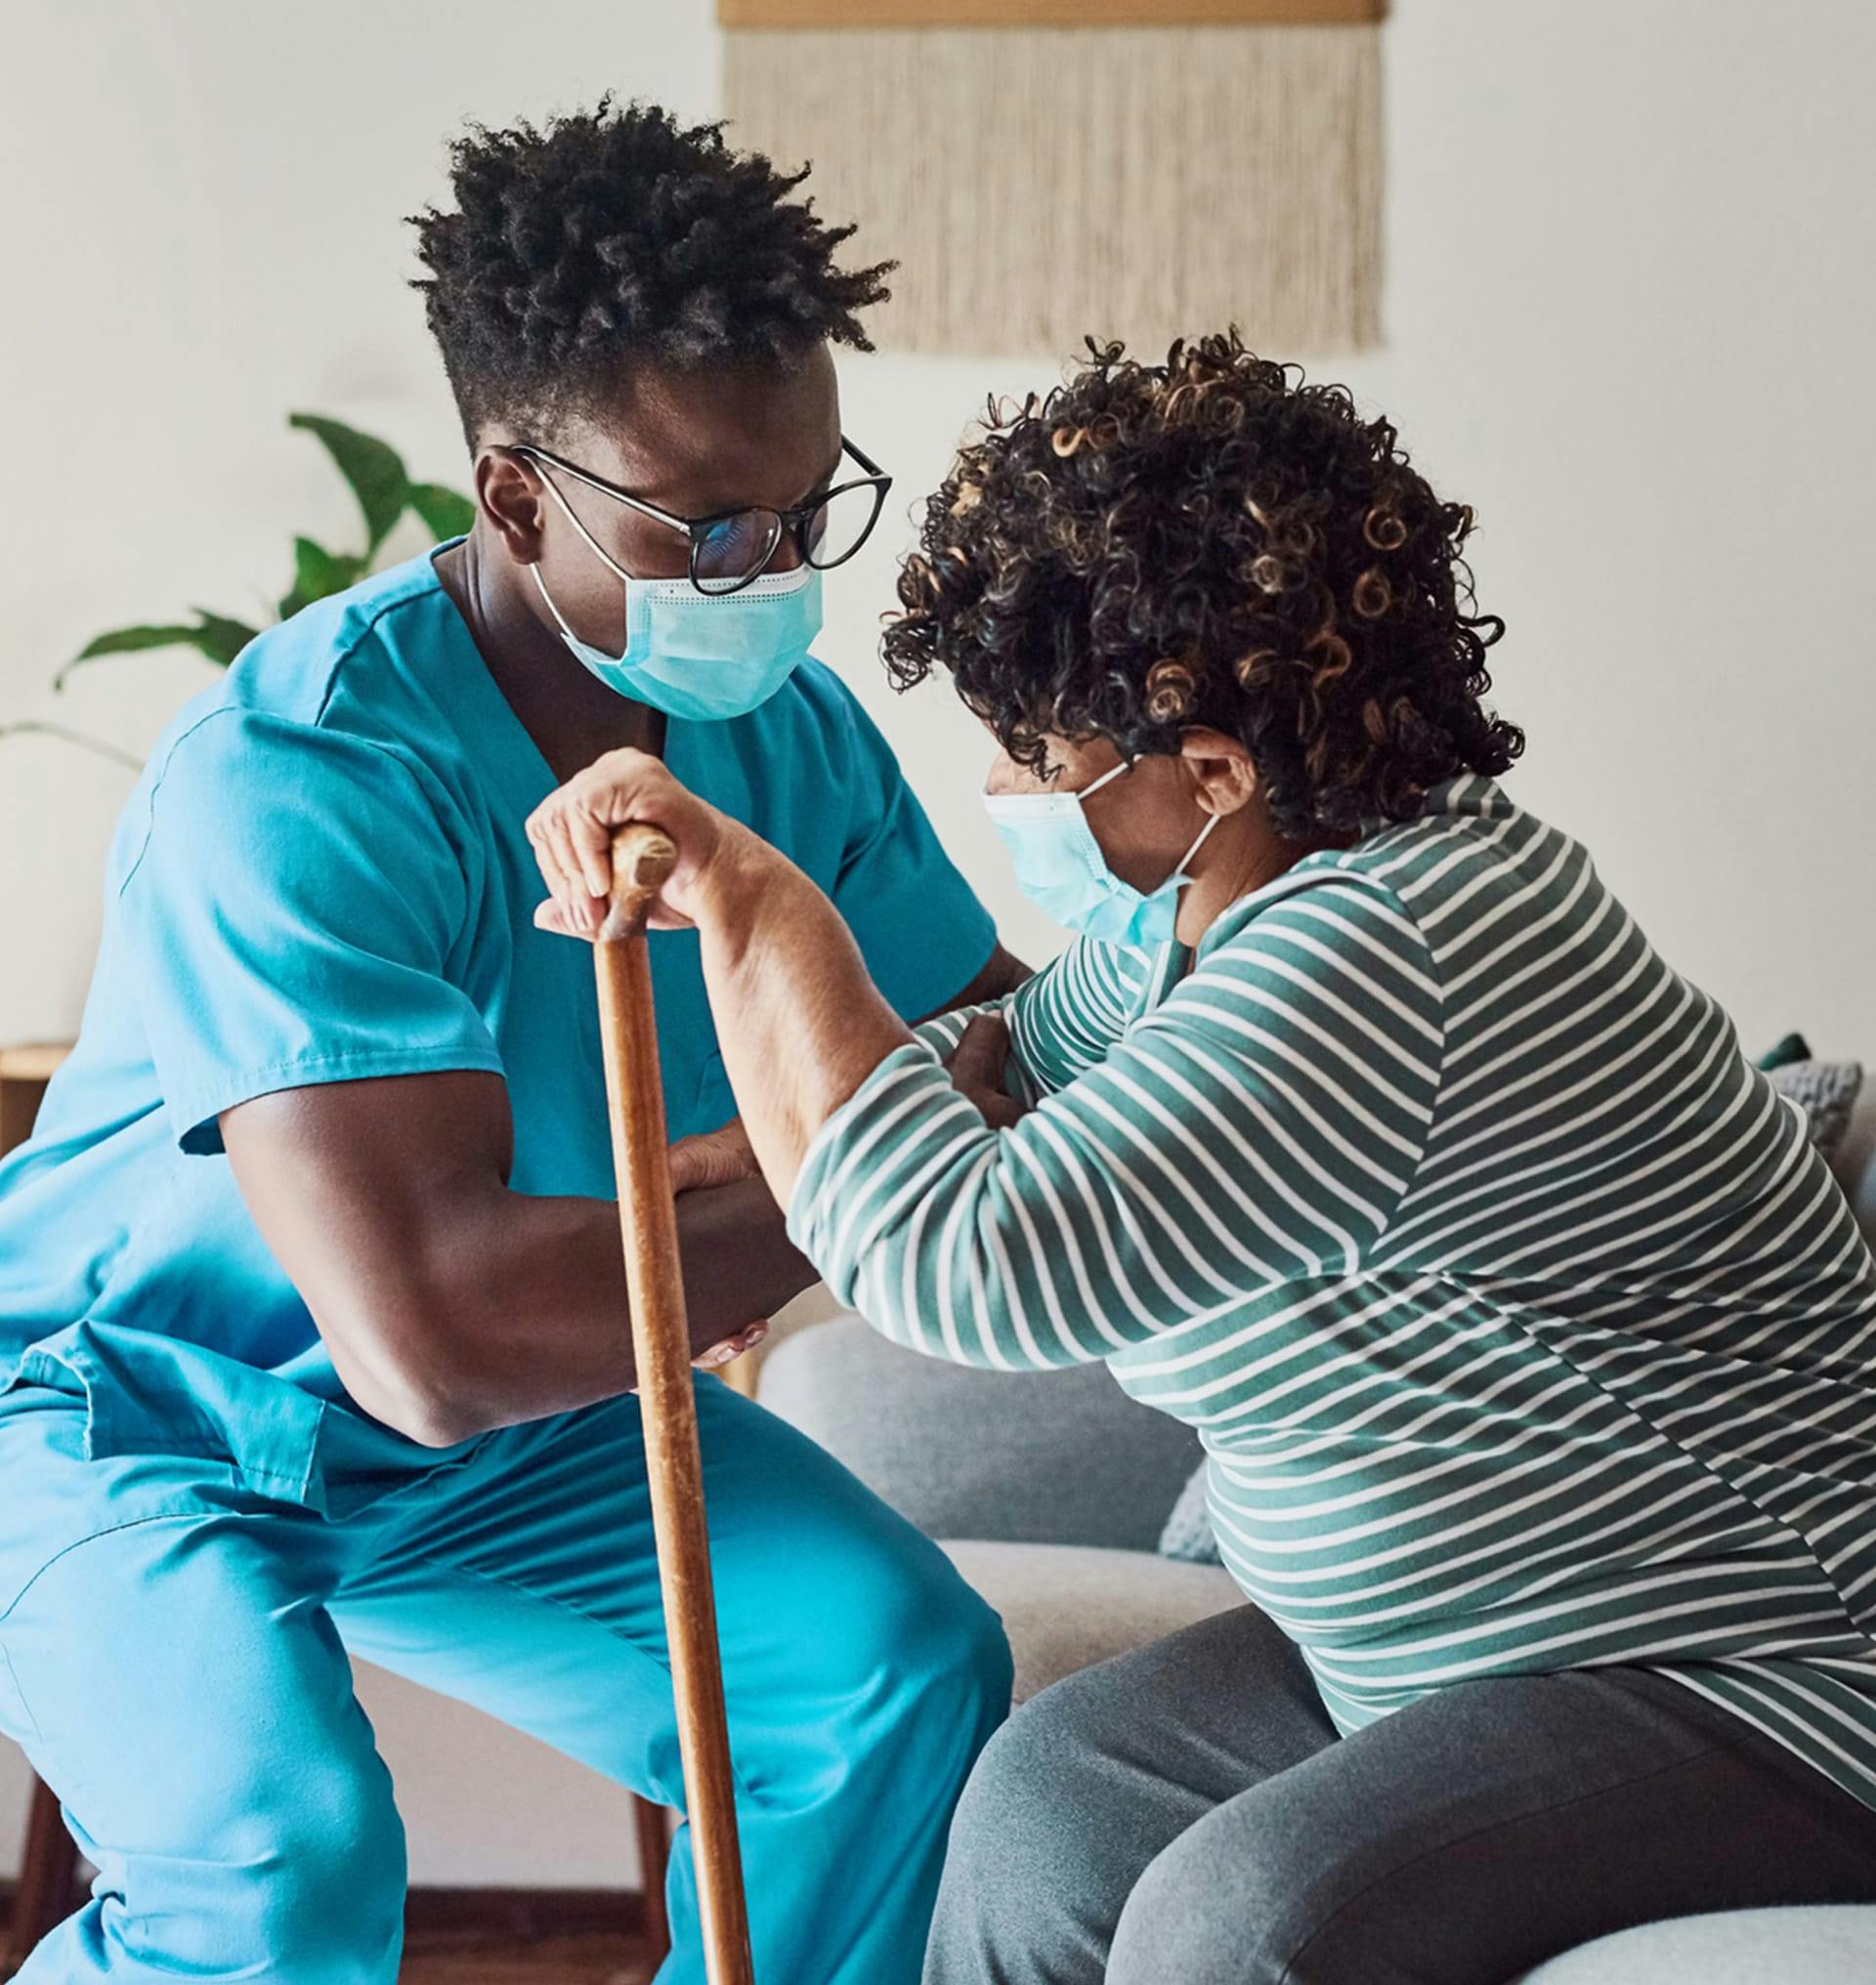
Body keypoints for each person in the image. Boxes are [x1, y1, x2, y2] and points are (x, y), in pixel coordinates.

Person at [526, 332, 1876, 1985]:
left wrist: (758, 897)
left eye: (1041, 759)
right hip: (1445, 1660)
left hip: (1747, 1675)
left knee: (1245, 1925)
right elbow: (1004, 1064)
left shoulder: (1393, 943)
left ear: (1218, 769)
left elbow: (967, 1262)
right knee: (1041, 1808)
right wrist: (715, 1181)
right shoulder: (1225, 914)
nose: (1010, 794)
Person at [0, 104, 1019, 1984]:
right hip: (131, 1413)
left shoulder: (791, 744)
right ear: (519, 492)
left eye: (809, 512)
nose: (773, 570)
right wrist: (848, 1171)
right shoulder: (306, 770)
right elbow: (441, 1332)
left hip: (509, 1432)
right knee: (277, 1866)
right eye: (709, 526)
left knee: (894, 1680)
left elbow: (996, 1047)